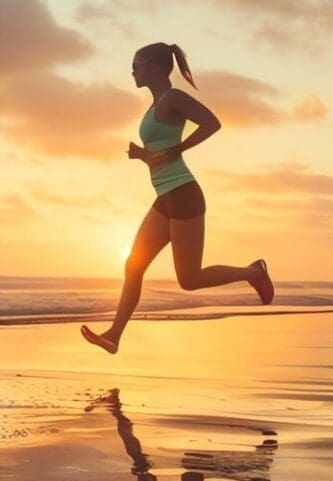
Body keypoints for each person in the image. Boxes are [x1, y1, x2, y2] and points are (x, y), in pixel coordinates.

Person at [81, 43, 273, 357]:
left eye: (137, 65)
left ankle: (254, 273)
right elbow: (162, 157)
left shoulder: (174, 98)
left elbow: (212, 123)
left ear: (155, 67)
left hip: (183, 195)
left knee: (189, 279)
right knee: (134, 265)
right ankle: (114, 335)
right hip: (165, 196)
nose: (133, 71)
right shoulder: (155, 104)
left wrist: (179, 150)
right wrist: (144, 156)